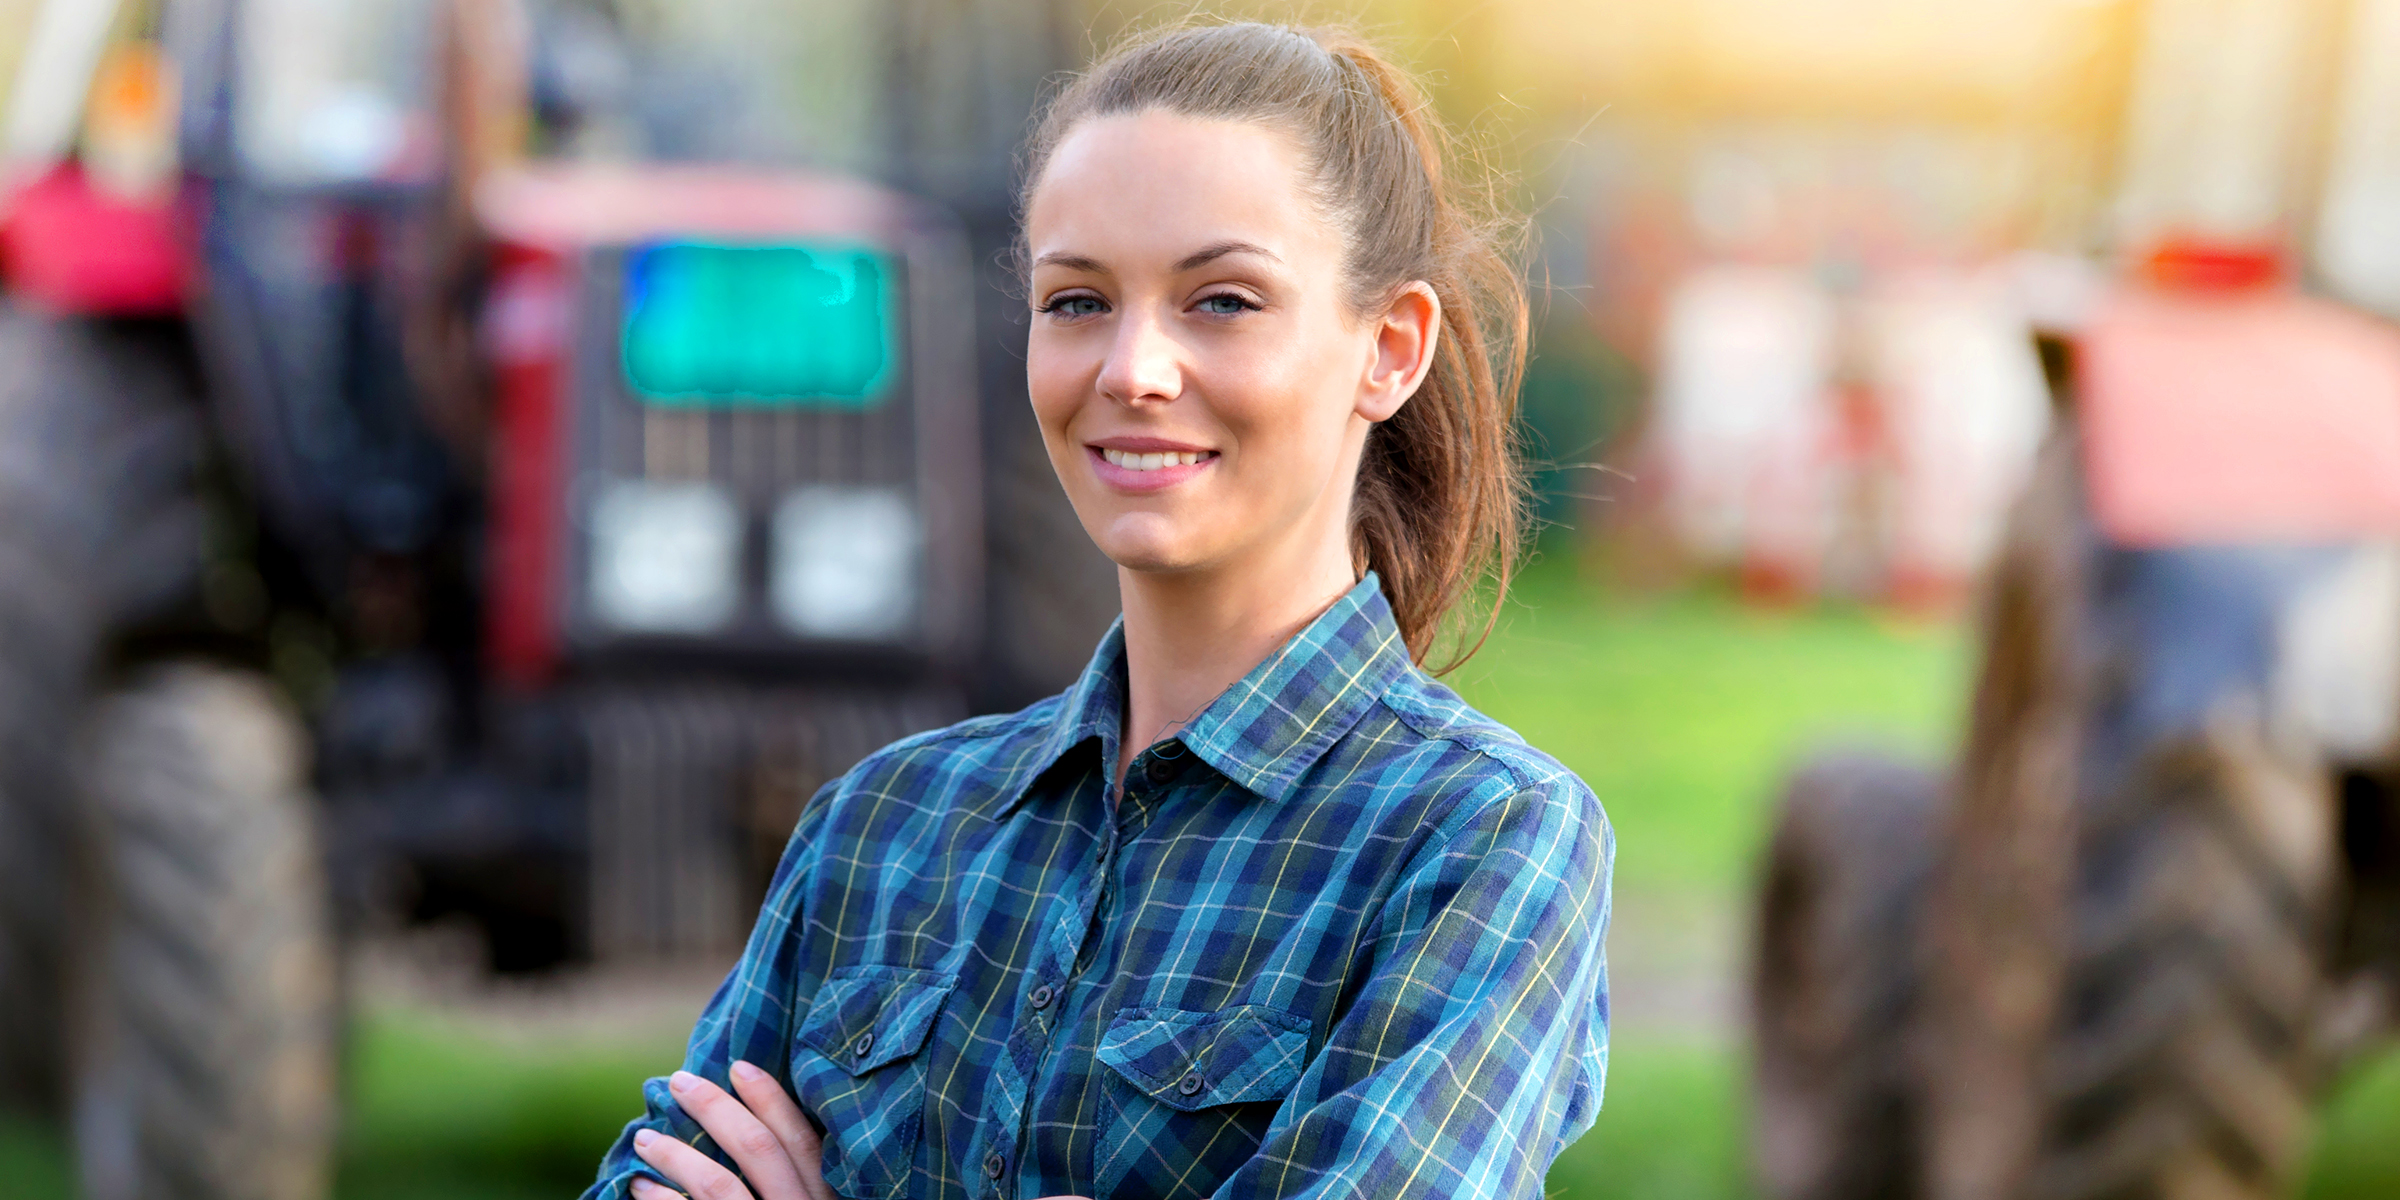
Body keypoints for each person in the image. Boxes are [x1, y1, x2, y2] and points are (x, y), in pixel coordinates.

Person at [586, 21, 1612, 1200]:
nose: (1131, 369)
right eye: (1076, 302)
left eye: (1221, 301)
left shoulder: (1480, 842)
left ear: (1388, 348)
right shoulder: (878, 827)